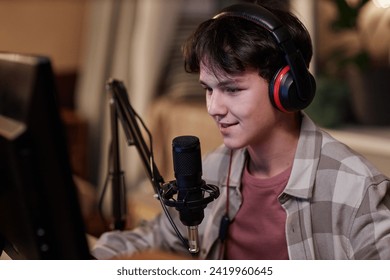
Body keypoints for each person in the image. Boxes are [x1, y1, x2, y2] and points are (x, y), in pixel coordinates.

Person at [91, 2, 390, 260]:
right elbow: (155, 237)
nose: (213, 108)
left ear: (287, 90)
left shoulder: (357, 190)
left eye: (232, 89)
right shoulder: (214, 168)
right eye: (208, 90)